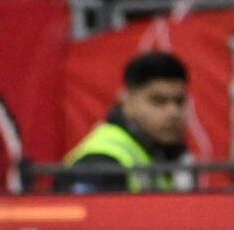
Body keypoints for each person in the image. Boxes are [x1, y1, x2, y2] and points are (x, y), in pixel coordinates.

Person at [62, 51, 190, 190]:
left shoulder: (162, 155)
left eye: (179, 101)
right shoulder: (101, 161)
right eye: (158, 101)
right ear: (126, 102)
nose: (173, 112)